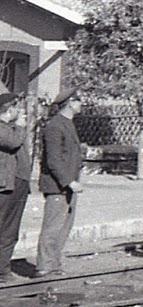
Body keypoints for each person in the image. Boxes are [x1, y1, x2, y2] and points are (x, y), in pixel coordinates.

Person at [36, 90, 84, 277]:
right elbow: (53, 160)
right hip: (57, 186)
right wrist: (69, 181)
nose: (81, 103)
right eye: (78, 100)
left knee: (64, 226)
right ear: (70, 103)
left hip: (67, 184)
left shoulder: (67, 124)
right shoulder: (55, 126)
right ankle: (44, 266)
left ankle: (53, 264)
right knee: (53, 226)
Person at [0, 93, 33, 281]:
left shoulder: (10, 127)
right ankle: (2, 271)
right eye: (17, 108)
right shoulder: (4, 129)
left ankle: (3, 267)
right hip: (5, 185)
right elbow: (12, 143)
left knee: (10, 229)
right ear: (9, 109)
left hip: (15, 183)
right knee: (5, 228)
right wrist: (20, 126)